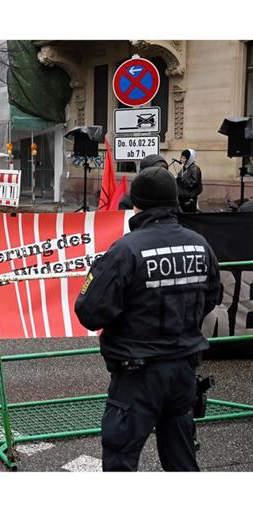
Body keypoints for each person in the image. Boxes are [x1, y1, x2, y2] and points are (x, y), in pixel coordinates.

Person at [74, 166, 221, 472]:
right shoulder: (200, 244)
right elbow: (212, 297)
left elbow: (90, 312)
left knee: (121, 463)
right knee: (182, 461)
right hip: (183, 369)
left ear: (137, 205)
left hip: (137, 375)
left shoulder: (125, 251)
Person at [177, 148, 203, 213]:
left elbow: (194, 183)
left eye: (184, 158)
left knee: (189, 214)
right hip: (182, 197)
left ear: (189, 159)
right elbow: (180, 178)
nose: (181, 160)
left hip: (189, 198)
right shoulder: (184, 168)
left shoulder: (195, 169)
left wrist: (181, 180)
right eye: (181, 158)